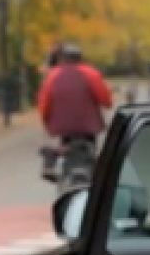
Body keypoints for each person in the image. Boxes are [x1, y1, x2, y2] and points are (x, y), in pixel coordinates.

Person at [36, 43, 113, 183]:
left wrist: (46, 120)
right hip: (89, 126)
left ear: (63, 58)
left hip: (61, 126)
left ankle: (52, 162)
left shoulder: (53, 75)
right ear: (80, 57)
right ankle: (97, 177)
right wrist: (105, 104)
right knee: (92, 151)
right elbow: (105, 99)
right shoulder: (91, 73)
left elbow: (44, 103)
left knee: (62, 144)